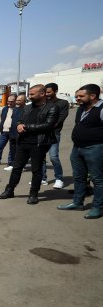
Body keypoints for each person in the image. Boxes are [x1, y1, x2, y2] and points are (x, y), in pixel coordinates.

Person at [0, 84, 58, 204]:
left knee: (36, 170)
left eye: (32, 94)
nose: (29, 96)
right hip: (23, 142)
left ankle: (33, 194)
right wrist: (19, 124)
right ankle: (9, 190)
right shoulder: (28, 108)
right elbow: (20, 120)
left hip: (39, 144)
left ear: (42, 94)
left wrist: (27, 127)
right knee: (17, 168)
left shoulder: (52, 108)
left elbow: (48, 125)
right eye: (29, 94)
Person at [57, 84, 103, 219]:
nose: (77, 98)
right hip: (77, 148)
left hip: (95, 149)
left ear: (93, 96)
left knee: (98, 179)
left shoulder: (101, 108)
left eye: (81, 96)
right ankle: (78, 203)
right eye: (77, 96)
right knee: (79, 177)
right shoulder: (82, 109)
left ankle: (97, 207)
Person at [41, 83, 70, 189]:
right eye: (45, 92)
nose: (47, 94)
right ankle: (42, 178)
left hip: (54, 133)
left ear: (55, 91)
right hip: (41, 133)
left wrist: (47, 126)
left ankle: (59, 178)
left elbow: (61, 118)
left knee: (53, 157)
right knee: (40, 157)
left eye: (49, 92)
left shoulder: (63, 103)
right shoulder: (43, 103)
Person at [0, 94, 19, 168]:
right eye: (8, 101)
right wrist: (1, 128)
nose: (9, 103)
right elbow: (3, 119)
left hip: (13, 132)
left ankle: (10, 162)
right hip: (4, 131)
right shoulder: (5, 109)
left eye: (11, 101)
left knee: (11, 148)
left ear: (15, 101)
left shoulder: (18, 109)